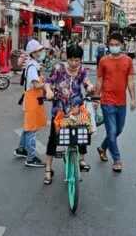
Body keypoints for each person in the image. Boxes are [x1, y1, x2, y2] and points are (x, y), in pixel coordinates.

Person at [43, 45, 95, 185]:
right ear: (67, 58)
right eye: (71, 60)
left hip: (77, 109)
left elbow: (87, 83)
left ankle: (81, 159)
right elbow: (48, 82)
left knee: (84, 131)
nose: (73, 63)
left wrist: (90, 87)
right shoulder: (59, 68)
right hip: (59, 109)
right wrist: (48, 91)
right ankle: (48, 168)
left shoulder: (82, 71)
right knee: (54, 138)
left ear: (80, 60)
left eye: (77, 60)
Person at [95, 33, 136, 172]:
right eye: (111, 45)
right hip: (107, 100)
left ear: (121, 45)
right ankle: (117, 160)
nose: (113, 47)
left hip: (121, 102)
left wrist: (133, 99)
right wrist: (96, 98)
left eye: (116, 44)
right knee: (112, 131)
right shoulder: (103, 61)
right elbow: (99, 80)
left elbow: (130, 81)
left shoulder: (128, 61)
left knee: (118, 130)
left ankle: (102, 147)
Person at [14, 39, 50, 167]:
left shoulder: (32, 64)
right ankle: (31, 157)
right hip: (32, 100)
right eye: (40, 50)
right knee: (32, 129)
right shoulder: (32, 67)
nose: (42, 52)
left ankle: (21, 149)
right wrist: (47, 85)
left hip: (32, 99)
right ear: (34, 53)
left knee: (28, 126)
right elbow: (35, 84)